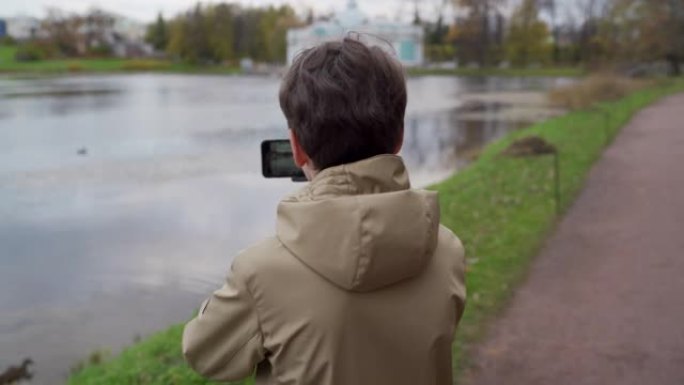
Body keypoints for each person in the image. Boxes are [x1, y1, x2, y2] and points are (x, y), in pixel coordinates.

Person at [182, 36, 467, 385]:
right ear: (399, 139)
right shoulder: (447, 250)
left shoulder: (259, 273)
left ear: (297, 149)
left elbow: (205, 356)